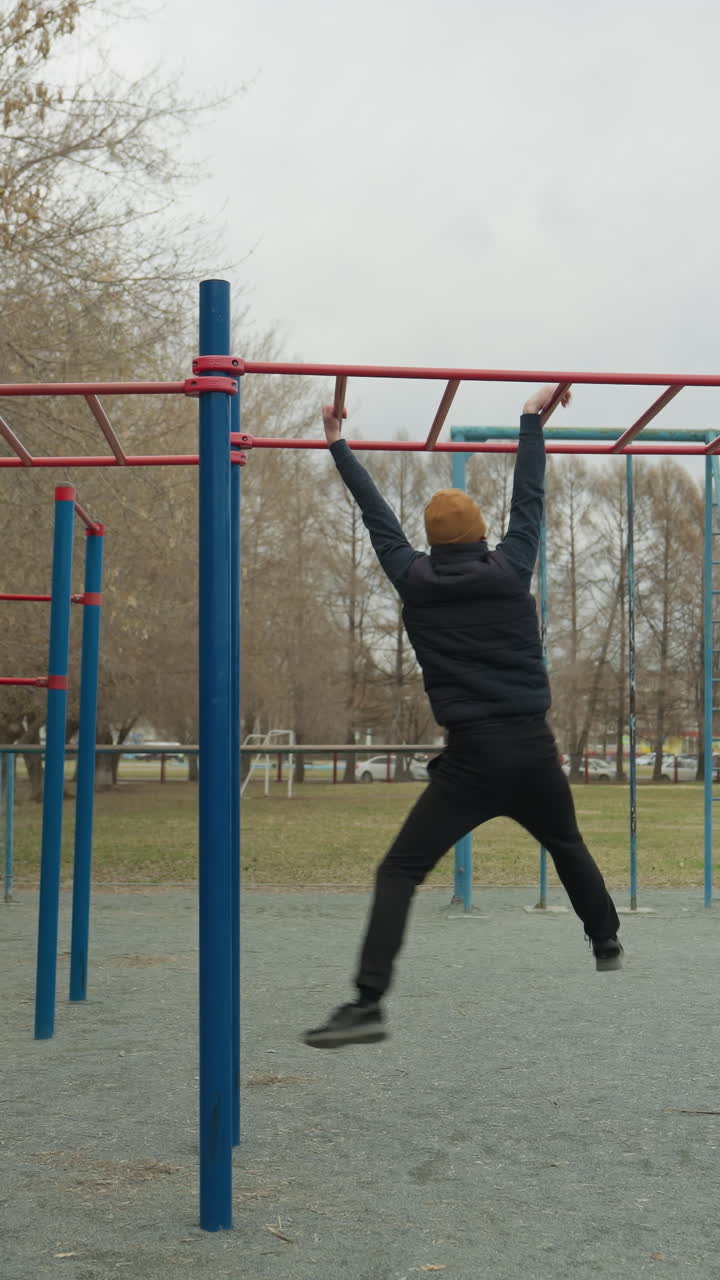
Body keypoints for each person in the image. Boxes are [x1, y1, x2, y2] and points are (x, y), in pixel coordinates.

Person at [303, 385, 621, 1050]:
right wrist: (531, 422)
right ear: (481, 535)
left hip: (473, 759)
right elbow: (528, 500)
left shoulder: (412, 578)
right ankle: (606, 938)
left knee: (399, 873)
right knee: (566, 844)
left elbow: (376, 518)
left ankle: (366, 1004)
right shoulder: (511, 569)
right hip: (533, 749)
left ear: (431, 542)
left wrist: (337, 443)